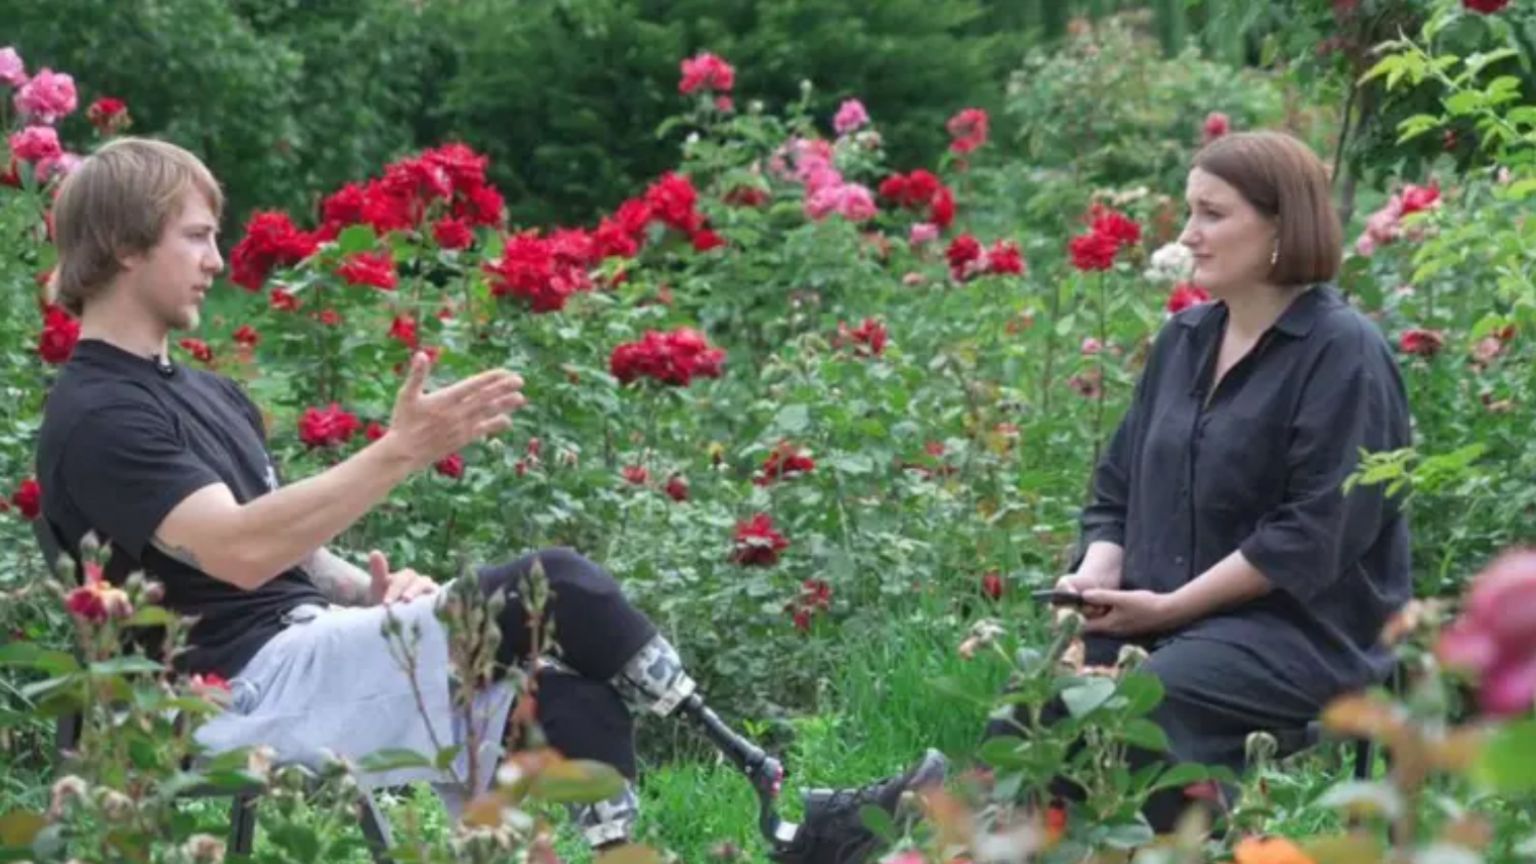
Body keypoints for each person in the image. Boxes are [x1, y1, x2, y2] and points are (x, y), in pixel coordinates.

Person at [34, 137, 945, 863]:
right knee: (563, 586)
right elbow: (232, 551)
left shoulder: (207, 393)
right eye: (195, 235)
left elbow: (293, 552)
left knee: (564, 698)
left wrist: (367, 589)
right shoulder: (97, 412)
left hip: (306, 649)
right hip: (222, 698)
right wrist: (402, 452)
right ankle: (777, 795)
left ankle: (760, 833)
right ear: (122, 244)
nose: (217, 258)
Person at [986, 130, 1413, 830]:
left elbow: (1311, 534)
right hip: (1159, 614)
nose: (1189, 235)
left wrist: (1172, 609)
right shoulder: (1183, 340)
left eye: (1213, 214)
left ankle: (1176, 846)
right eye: (1190, 212)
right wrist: (1092, 581)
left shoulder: (1344, 354)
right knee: (1030, 710)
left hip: (1296, 633)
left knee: (1139, 707)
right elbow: (1116, 493)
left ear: (1281, 224)